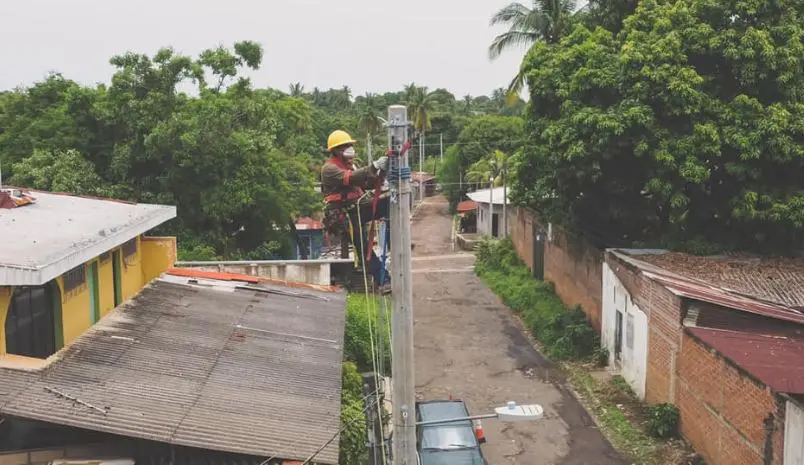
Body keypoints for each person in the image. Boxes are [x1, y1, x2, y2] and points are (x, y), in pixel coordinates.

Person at [321, 130, 392, 294]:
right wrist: (374, 166)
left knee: (390, 204)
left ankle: (393, 242)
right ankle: (383, 280)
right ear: (336, 151)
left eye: (349, 146)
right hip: (345, 214)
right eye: (344, 147)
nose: (349, 149)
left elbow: (366, 182)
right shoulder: (329, 169)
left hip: (360, 208)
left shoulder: (352, 166)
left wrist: (382, 171)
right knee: (364, 250)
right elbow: (351, 178)